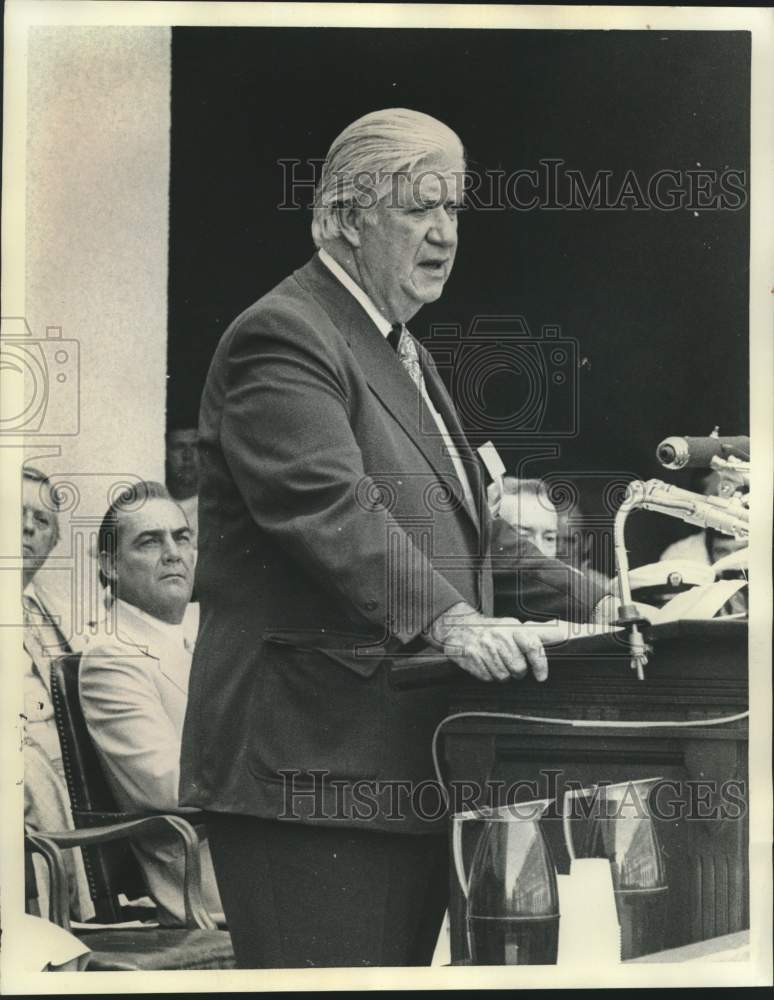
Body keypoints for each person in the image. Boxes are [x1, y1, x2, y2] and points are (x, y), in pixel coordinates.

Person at [179, 108, 580, 969]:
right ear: (344, 219)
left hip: (395, 774)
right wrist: (454, 623)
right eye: (418, 209)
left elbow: (473, 538)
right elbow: (328, 510)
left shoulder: (400, 349)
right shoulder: (283, 335)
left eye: (455, 209)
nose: (445, 234)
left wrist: (613, 597)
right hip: (308, 780)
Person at [79, 481, 222, 926]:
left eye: (182, 537)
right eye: (149, 541)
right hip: (209, 873)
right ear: (110, 565)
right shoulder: (111, 656)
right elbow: (170, 784)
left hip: (257, 843)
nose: (173, 552)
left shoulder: (207, 633)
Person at [21, 465, 94, 922]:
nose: (27, 527)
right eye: (14, 512)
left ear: (53, 543)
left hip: (73, 792)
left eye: (41, 521)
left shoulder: (56, 613)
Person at [165, 425, 200, 545]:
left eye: (195, 446)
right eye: (179, 447)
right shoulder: (150, 502)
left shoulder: (220, 508)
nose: (188, 456)